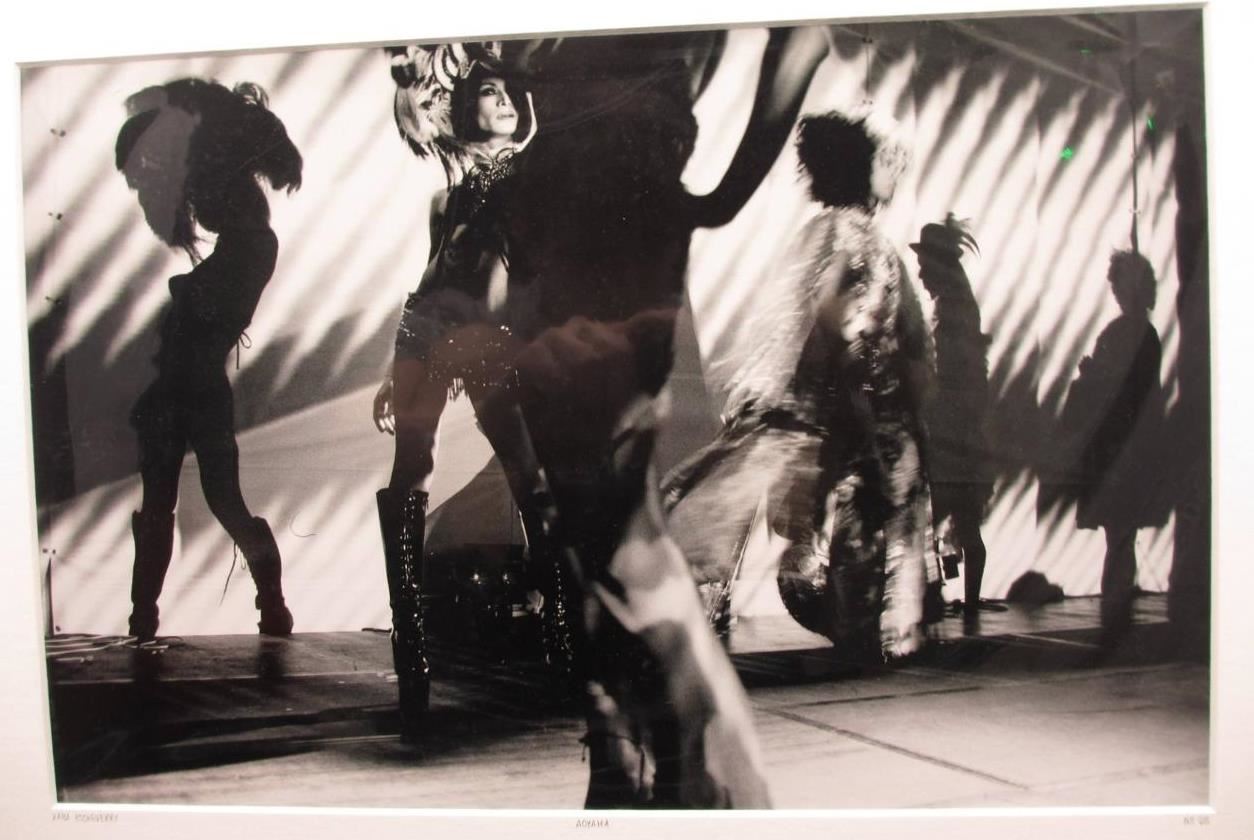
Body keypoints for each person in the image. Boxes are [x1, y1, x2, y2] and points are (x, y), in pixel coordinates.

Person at [664, 109, 940, 662]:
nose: (897, 172)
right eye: (889, 160)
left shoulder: (835, 232)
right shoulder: (851, 236)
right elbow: (840, 326)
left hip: (861, 411)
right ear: (859, 164)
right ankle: (871, 632)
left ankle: (865, 630)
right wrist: (867, 412)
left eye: (901, 162)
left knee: (847, 528)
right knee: (859, 528)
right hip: (861, 411)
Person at [371, 44, 569, 740]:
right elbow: (432, 275)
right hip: (427, 332)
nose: (505, 99)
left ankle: (560, 628)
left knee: (531, 479)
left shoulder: (530, 177)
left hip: (491, 339)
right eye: (489, 91)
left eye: (510, 91)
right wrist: (395, 367)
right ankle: (411, 646)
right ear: (462, 106)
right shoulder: (447, 193)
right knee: (409, 473)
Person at [115, 78, 302, 642]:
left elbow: (205, 312)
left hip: (188, 389)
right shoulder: (246, 247)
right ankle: (151, 618)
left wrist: (183, 292)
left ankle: (158, 618)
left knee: (193, 502)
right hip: (187, 390)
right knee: (187, 502)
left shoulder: (251, 248)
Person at [909, 215, 1003, 630]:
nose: (920, 275)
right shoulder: (954, 306)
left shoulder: (954, 311)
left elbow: (957, 373)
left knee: (948, 514)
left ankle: (952, 598)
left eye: (924, 267)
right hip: (956, 428)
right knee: (958, 518)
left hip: (954, 430)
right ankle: (963, 599)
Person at [1072, 250, 1164, 648]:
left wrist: (1092, 374)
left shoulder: (1129, 333)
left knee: (1120, 536)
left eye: (1119, 284)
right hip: (1127, 449)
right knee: (1121, 536)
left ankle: (1116, 615)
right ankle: (1117, 613)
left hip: (1122, 450)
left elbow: (1123, 390)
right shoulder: (1140, 333)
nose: (1115, 291)